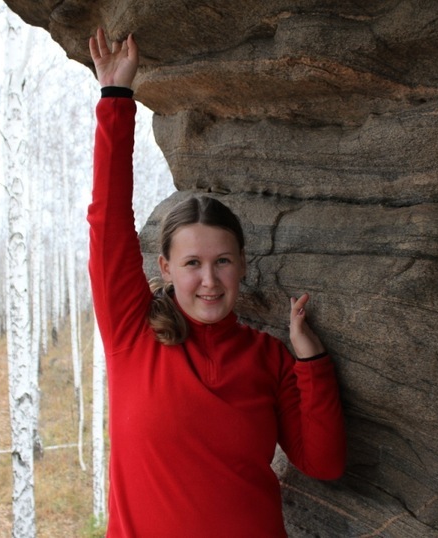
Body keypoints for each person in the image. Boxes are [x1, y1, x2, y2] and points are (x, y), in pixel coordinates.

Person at [87, 28, 346, 538]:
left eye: (222, 261)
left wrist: (311, 363)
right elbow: (107, 221)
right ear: (165, 267)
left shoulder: (269, 359)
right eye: (192, 264)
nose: (209, 280)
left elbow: (323, 463)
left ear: (243, 265)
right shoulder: (131, 334)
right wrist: (116, 98)